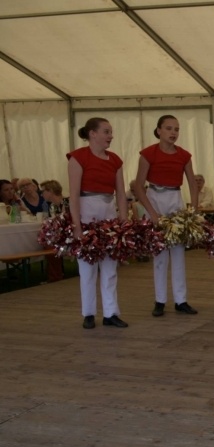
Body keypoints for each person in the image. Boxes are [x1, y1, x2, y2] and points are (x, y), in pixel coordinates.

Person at [132, 115, 199, 317]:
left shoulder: (184, 156)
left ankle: (181, 300)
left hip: (175, 198)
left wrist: (192, 211)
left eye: (176, 129)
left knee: (178, 253)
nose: (173, 133)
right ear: (159, 130)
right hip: (155, 197)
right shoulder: (148, 154)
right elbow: (138, 185)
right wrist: (151, 212)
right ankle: (160, 300)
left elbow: (193, 184)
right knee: (159, 254)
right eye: (169, 128)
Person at [67, 117, 129, 329]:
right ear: (92, 134)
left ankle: (111, 312)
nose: (110, 136)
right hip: (87, 210)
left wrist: (123, 221)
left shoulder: (115, 160)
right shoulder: (78, 157)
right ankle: (89, 313)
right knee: (87, 267)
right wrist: (76, 225)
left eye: (111, 132)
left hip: (108, 210)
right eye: (106, 131)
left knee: (110, 266)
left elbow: (121, 194)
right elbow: (73, 195)